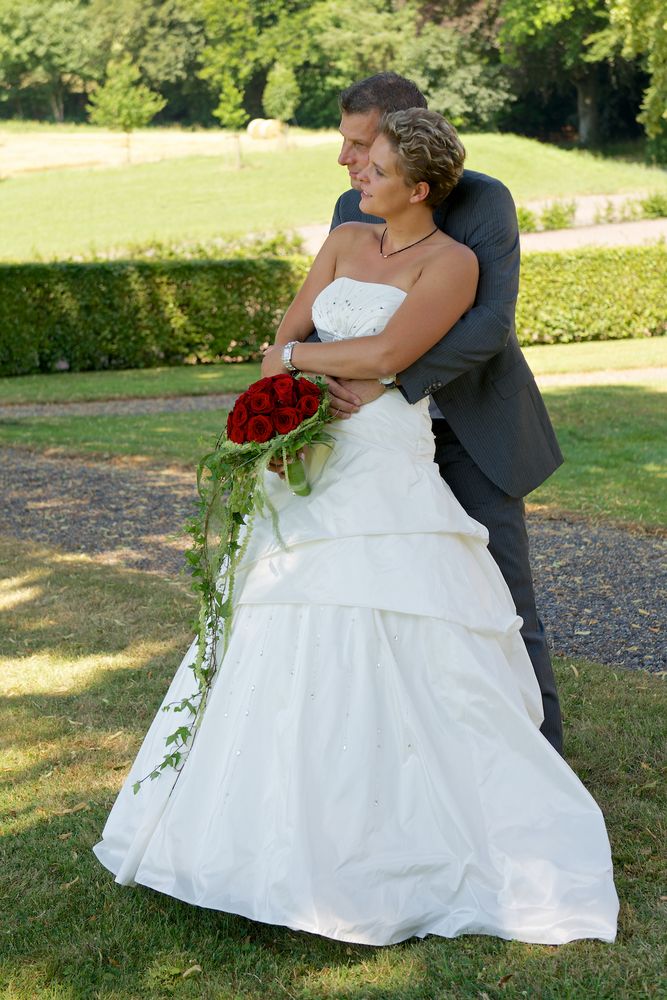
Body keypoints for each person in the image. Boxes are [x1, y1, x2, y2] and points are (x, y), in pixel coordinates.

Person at [93, 108, 618, 947]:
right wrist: (289, 387)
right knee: (278, 611)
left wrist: (307, 365)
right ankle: (255, 836)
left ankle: (407, 837)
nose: (355, 175)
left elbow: (384, 360)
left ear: (418, 186)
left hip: (381, 454)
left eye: (370, 166)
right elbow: (283, 338)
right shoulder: (342, 242)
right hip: (312, 449)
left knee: (403, 621)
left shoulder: (453, 262)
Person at [318, 73, 564, 754]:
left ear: (402, 132)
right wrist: (302, 393)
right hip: (371, 449)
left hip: (470, 431)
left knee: (503, 606)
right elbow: (334, 306)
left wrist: (388, 382)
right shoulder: (350, 202)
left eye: (358, 143)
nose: (345, 160)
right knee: (387, 604)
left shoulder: (485, 199)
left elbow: (488, 325)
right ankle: (420, 761)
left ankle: (545, 767)